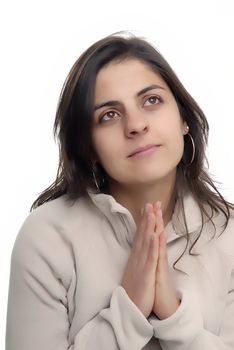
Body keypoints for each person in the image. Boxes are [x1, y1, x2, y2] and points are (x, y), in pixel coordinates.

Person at [5, 31, 234, 350]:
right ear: (89, 146)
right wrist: (128, 313)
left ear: (184, 118)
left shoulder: (228, 234)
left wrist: (174, 319)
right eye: (109, 115)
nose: (136, 125)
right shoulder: (47, 238)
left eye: (151, 100)